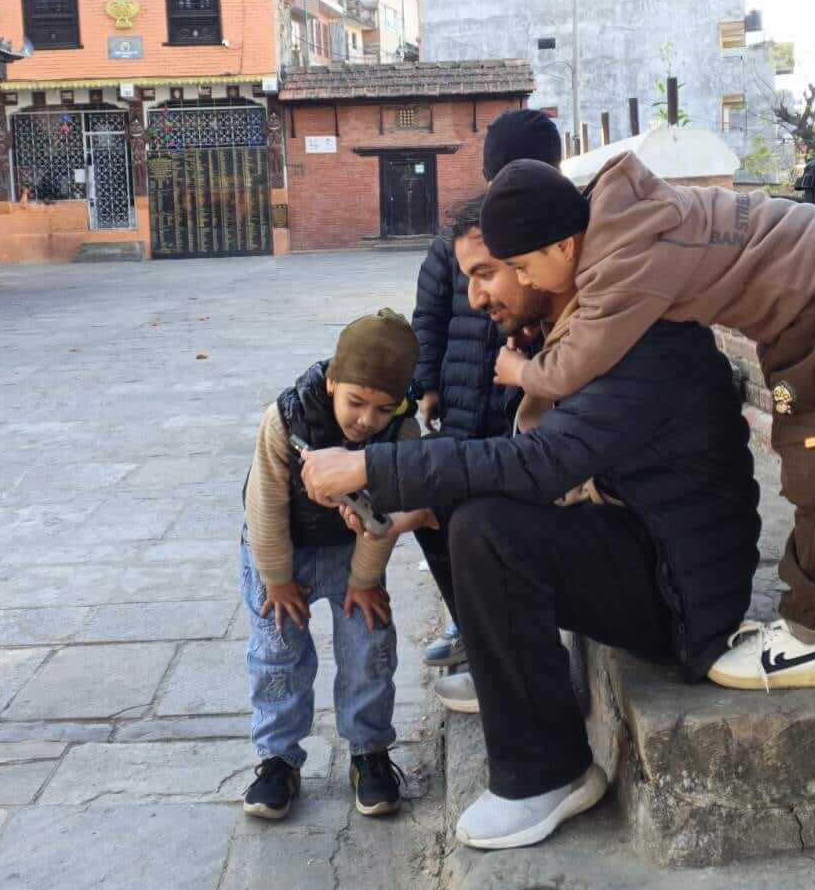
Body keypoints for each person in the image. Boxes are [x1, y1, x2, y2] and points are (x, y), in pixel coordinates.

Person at [301, 229, 761, 850]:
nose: (474, 297)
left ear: (553, 255)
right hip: (640, 544)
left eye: (491, 271)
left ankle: (548, 772)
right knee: (452, 499)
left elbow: (542, 463)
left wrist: (370, 469)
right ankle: (503, 679)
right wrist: (409, 504)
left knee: (486, 526)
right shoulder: (579, 329)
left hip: (684, 597)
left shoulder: (636, 332)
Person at [482, 155, 815, 692]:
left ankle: (805, 635)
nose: (525, 280)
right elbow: (590, 327)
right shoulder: (620, 220)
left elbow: (576, 365)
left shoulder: (622, 261)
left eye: (523, 266)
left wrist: (522, 370)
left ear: (564, 246)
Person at [238, 310, 424, 822]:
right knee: (278, 653)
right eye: (355, 402)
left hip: (352, 550)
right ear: (333, 381)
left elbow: (384, 517)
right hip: (282, 549)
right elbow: (264, 505)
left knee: (369, 647)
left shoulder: (403, 436)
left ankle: (369, 752)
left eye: (383, 409)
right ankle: (277, 758)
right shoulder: (286, 417)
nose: (366, 420)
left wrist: (365, 580)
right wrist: (275, 577)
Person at [409, 109, 563, 670]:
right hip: (460, 399)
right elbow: (427, 319)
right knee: (446, 509)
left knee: (496, 503)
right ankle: (468, 622)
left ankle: (503, 625)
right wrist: (427, 387)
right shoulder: (457, 243)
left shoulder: (547, 240)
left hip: (514, 400)